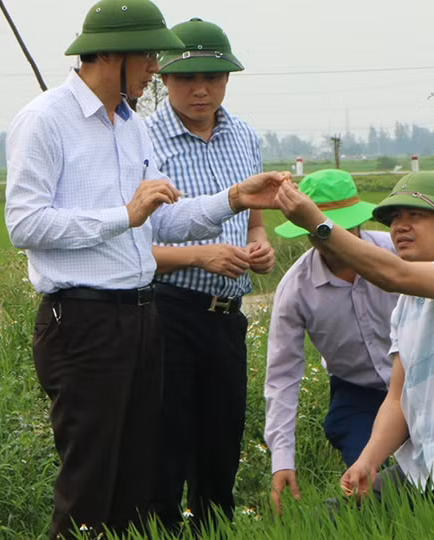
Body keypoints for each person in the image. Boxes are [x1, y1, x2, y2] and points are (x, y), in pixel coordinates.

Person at [3, 2, 286, 538]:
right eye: (149, 56)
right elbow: (25, 224)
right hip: (83, 322)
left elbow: (165, 221)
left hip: (142, 318)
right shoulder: (45, 120)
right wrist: (123, 215)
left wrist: (232, 198)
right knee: (90, 485)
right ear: (111, 55)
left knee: (137, 487)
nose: (156, 68)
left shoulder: (129, 127)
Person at [275, 171, 434, 513]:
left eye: (416, 215)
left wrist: (319, 224)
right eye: (395, 217)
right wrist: (368, 461)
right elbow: (398, 397)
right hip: (427, 469)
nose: (400, 226)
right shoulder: (405, 306)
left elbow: (392, 273)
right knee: (335, 516)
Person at [143, 17, 275, 532]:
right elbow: (129, 245)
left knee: (221, 446)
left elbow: (256, 221)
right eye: (186, 78)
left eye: (213, 78)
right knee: (166, 445)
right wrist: (200, 256)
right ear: (164, 80)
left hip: (226, 317)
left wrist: (259, 246)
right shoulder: (143, 138)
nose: (201, 90)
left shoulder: (243, 135)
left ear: (227, 80)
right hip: (166, 309)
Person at [264, 169, 400, 515]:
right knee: (371, 488)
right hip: (357, 393)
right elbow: (282, 376)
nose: (334, 239)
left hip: (419, 382)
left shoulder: (397, 256)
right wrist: (282, 459)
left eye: (344, 227)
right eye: (322, 231)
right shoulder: (296, 289)